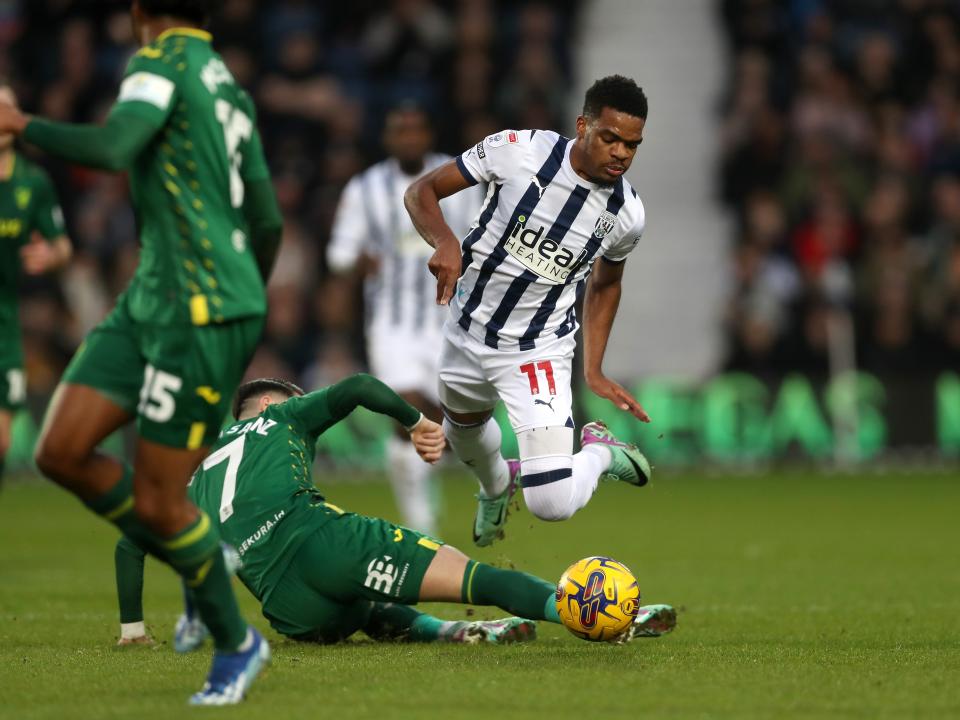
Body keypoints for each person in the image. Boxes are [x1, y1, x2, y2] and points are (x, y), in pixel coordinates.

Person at [0, 0, 283, 705]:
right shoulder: (226, 83)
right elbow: (268, 218)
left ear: (136, 13)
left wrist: (21, 124)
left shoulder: (156, 63)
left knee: (159, 499)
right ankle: (194, 553)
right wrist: (250, 285)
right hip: (152, 299)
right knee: (60, 451)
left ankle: (235, 641)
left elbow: (113, 148)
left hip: (199, 311)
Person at [114, 375, 677, 647]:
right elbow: (358, 386)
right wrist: (415, 422)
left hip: (287, 610)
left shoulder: (194, 477)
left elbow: (129, 541)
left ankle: (448, 635)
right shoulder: (281, 417)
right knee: (474, 576)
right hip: (318, 541)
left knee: (361, 606)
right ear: (268, 404)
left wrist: (132, 629)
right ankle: (597, 616)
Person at [404, 75, 652, 545]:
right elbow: (421, 192)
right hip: (466, 328)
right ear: (583, 126)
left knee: (551, 503)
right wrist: (445, 242)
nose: (620, 152)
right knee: (463, 432)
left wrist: (594, 370)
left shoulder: (626, 214)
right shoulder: (518, 151)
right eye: (610, 138)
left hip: (538, 349)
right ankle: (495, 489)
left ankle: (599, 451)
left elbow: (606, 283)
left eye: (632, 145)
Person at [327, 103, 484, 535]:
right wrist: (359, 261)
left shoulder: (456, 179)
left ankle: (463, 484)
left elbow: (482, 233)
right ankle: (420, 522)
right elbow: (338, 253)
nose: (409, 138)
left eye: (416, 130)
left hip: (449, 319)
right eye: (400, 130)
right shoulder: (365, 188)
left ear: (428, 134)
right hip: (391, 325)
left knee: (443, 417)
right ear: (388, 137)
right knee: (407, 408)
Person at [0, 83, 72, 487]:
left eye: (7, 108)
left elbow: (63, 245)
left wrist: (51, 256)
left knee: (2, 442)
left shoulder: (33, 183)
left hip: (5, 319)